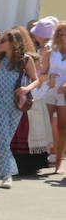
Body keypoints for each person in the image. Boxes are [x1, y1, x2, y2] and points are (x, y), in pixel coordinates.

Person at [0, 27, 41, 187]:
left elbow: (36, 80)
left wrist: (27, 89)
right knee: (1, 138)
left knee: (2, 139)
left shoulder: (26, 60)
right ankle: (7, 174)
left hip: (16, 104)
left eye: (3, 40)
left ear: (14, 43)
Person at [38, 19, 66, 173]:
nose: (63, 36)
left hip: (64, 92)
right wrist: (49, 76)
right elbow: (41, 72)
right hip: (50, 90)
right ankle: (45, 156)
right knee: (46, 125)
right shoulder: (50, 51)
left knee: (63, 127)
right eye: (61, 33)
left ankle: (59, 162)